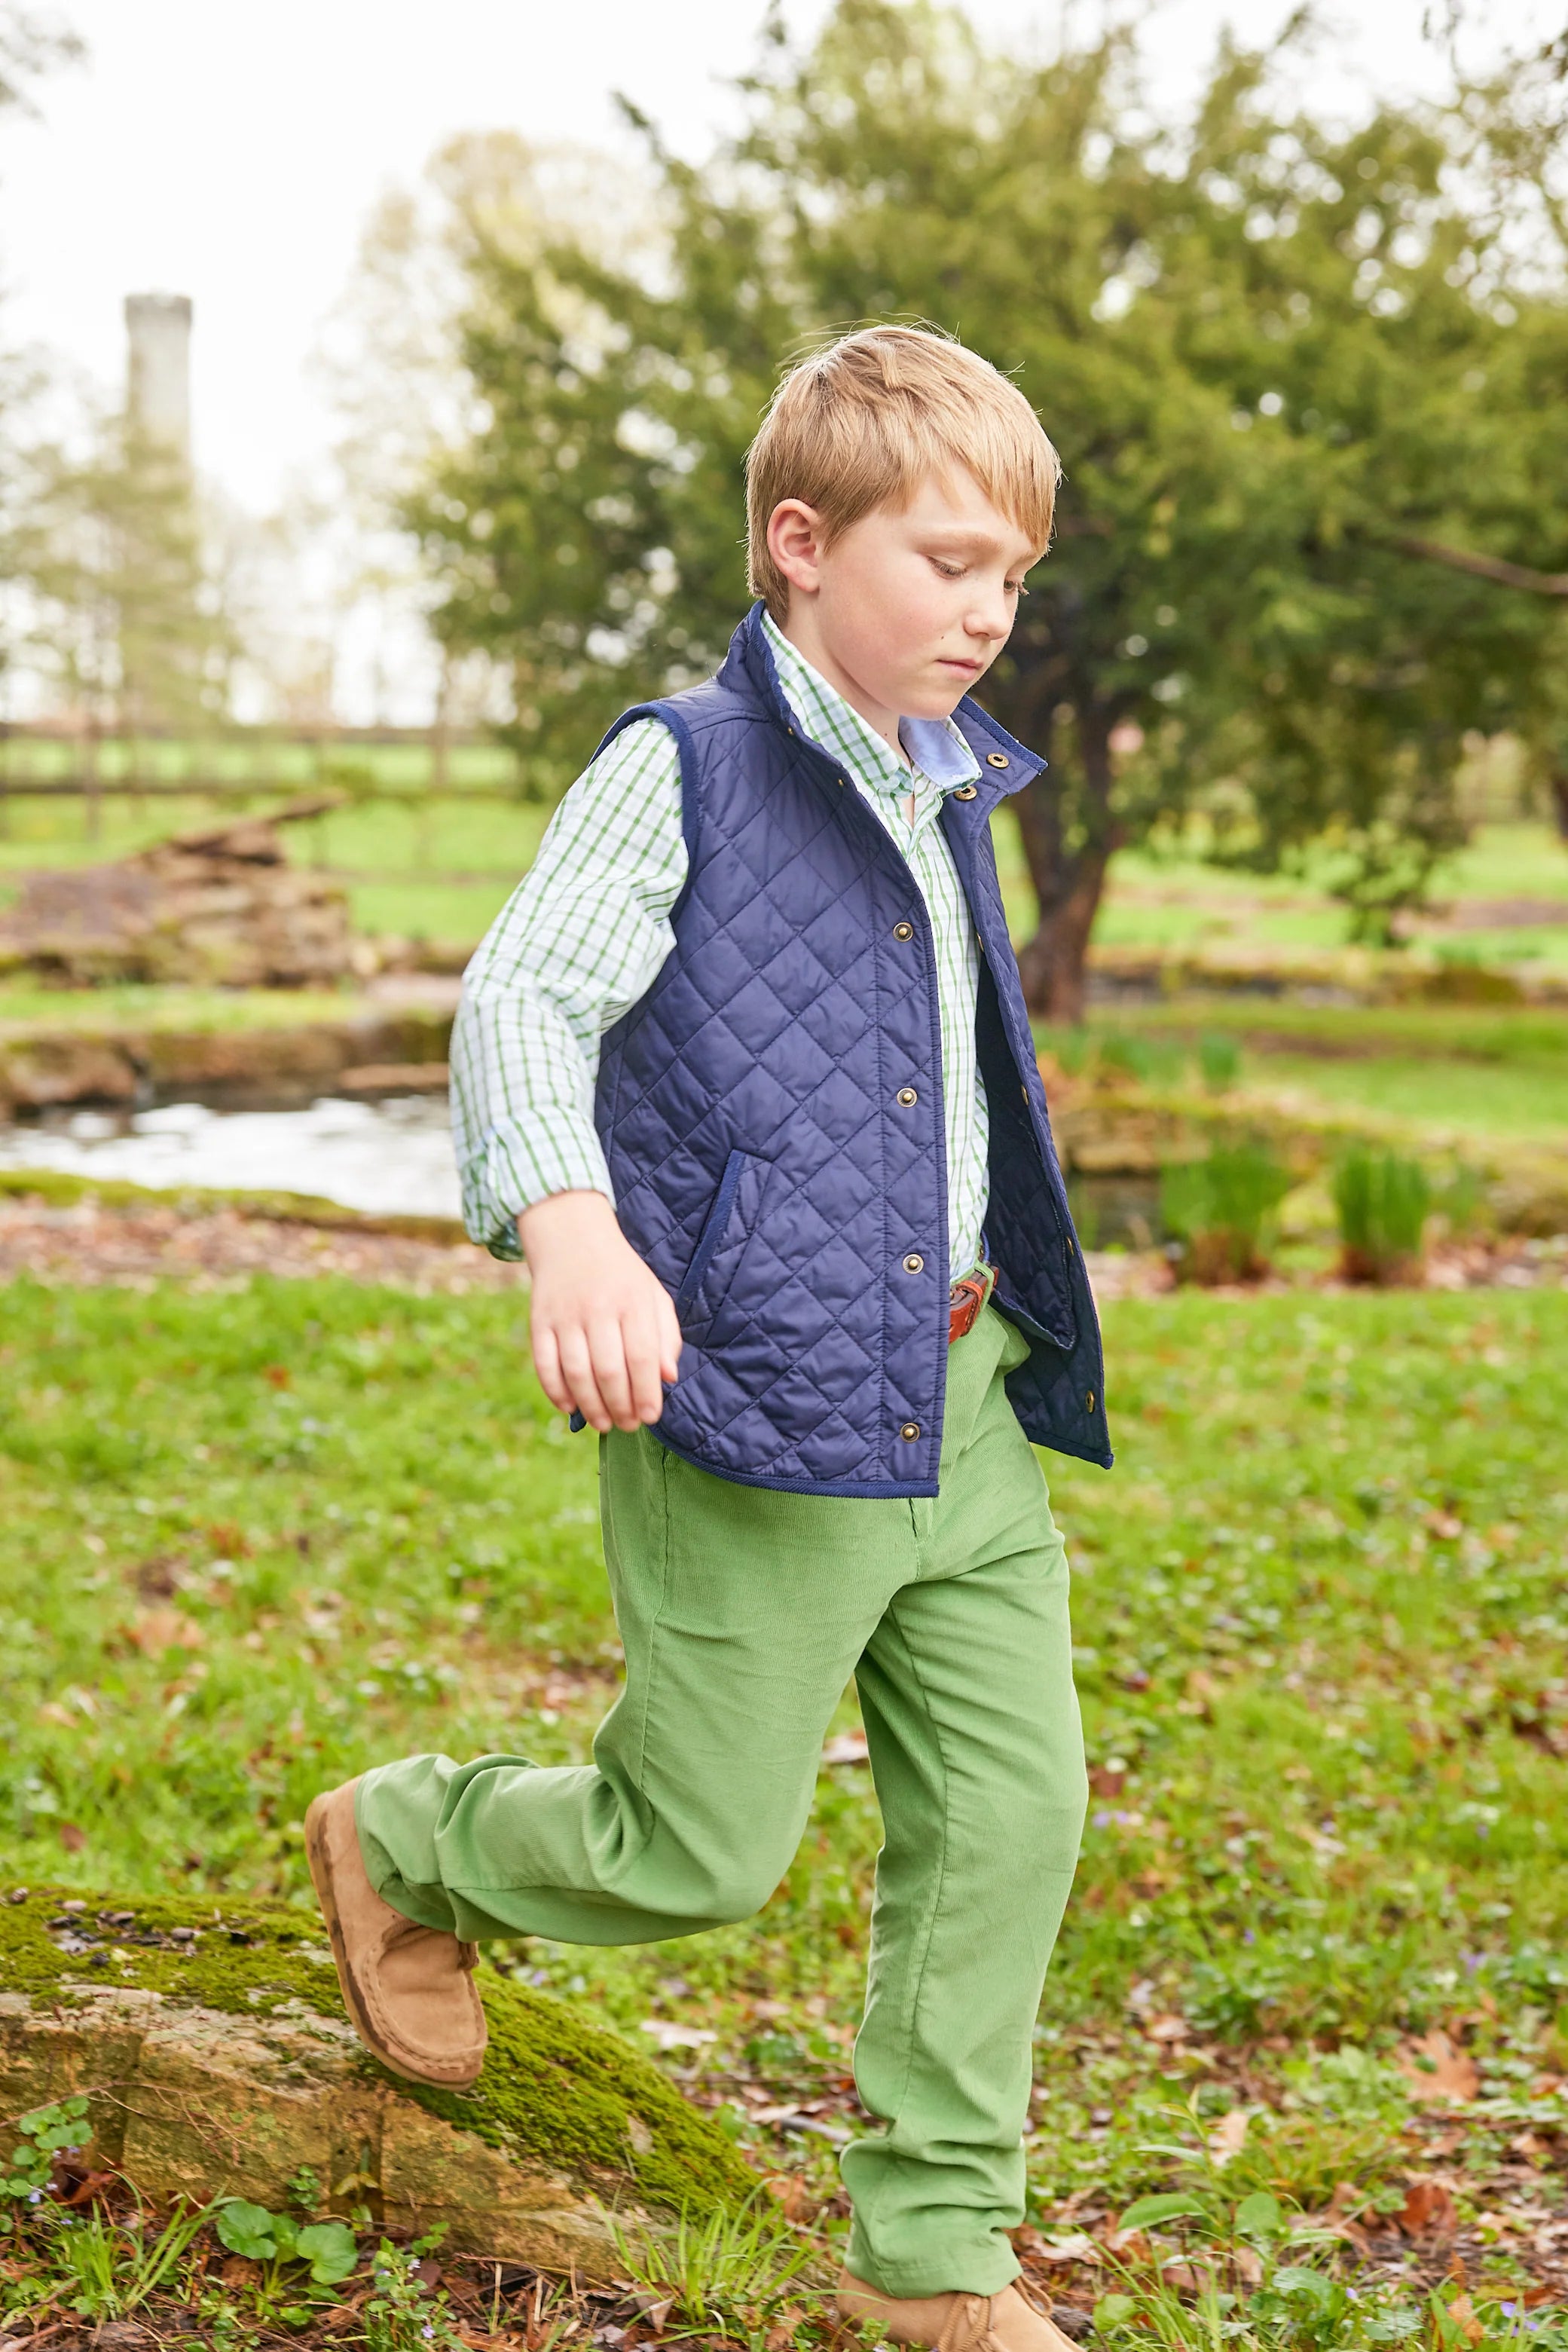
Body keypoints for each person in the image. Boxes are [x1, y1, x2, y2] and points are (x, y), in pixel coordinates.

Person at [306, 324, 1110, 2352]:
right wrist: (568, 1222)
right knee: (696, 1848)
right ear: (797, 542)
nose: (984, 610)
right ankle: (408, 1839)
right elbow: (520, 1002)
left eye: (1007, 573)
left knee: (1014, 1809)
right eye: (943, 562)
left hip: (961, 1391)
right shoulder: (683, 766)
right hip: (745, 1396)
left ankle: (925, 2247)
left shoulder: (951, 790)